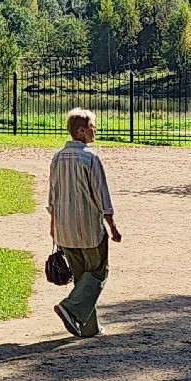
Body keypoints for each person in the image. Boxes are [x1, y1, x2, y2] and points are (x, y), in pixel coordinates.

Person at [48, 107, 121, 338]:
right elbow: (102, 196)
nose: (94, 131)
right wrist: (112, 227)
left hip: (64, 228)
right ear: (81, 131)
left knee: (81, 278)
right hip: (89, 228)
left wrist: (53, 226)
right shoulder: (90, 158)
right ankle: (70, 307)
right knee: (98, 272)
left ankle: (88, 328)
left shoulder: (57, 157)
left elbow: (52, 196)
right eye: (92, 127)